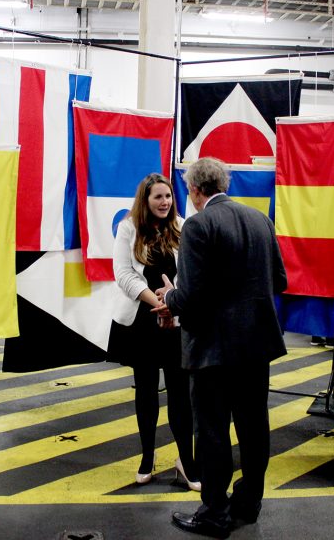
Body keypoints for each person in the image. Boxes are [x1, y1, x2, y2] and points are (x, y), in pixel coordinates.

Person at [154, 157, 287, 539]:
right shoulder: (259, 218)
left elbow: (192, 294)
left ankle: (214, 514)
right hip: (256, 346)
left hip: (212, 349)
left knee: (212, 431)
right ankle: (248, 504)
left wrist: (171, 296)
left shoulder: (198, 225)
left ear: (194, 190)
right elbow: (278, 279)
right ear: (223, 183)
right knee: (254, 427)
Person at [111, 172, 199, 491]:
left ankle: (186, 462)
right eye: (158, 197)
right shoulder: (129, 229)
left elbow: (194, 271)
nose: (165, 202)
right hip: (142, 322)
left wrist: (172, 302)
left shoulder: (185, 226)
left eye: (168, 196)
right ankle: (147, 457)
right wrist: (157, 302)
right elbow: (123, 274)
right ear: (145, 201)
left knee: (180, 394)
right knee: (146, 393)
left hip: (176, 321)